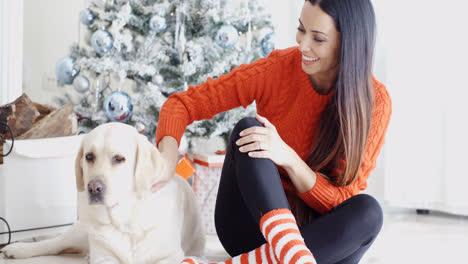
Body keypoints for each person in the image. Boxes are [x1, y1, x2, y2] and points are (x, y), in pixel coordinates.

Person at [154, 0, 392, 263]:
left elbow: (339, 201)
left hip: (315, 237)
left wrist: (289, 158)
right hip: (251, 229)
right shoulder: (278, 68)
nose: (303, 45)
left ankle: (283, 257)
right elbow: (182, 104)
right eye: (301, 29)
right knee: (249, 130)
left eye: (318, 38)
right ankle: (290, 255)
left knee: (369, 212)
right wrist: (165, 160)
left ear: (349, 43)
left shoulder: (375, 103)